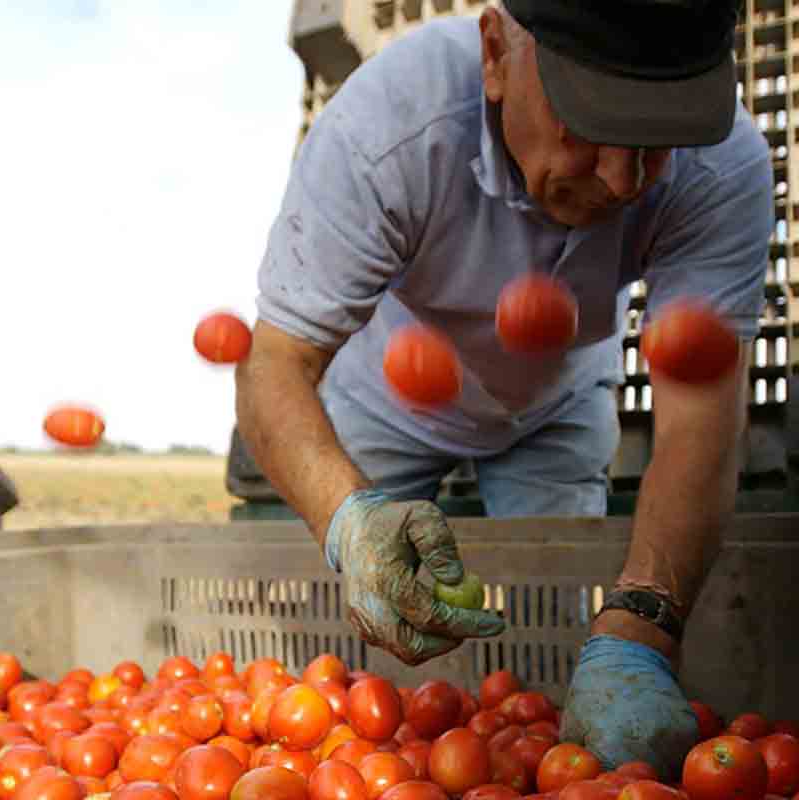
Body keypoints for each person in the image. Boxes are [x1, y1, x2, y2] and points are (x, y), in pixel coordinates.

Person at [235, 0, 774, 780]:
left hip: (557, 402)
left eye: (656, 141)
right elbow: (275, 365)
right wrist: (348, 519)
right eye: (589, 124)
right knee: (361, 643)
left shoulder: (721, 165)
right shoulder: (391, 126)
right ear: (496, 54)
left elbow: (701, 418)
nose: (623, 180)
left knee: (552, 639)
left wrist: (642, 624)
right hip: (387, 399)